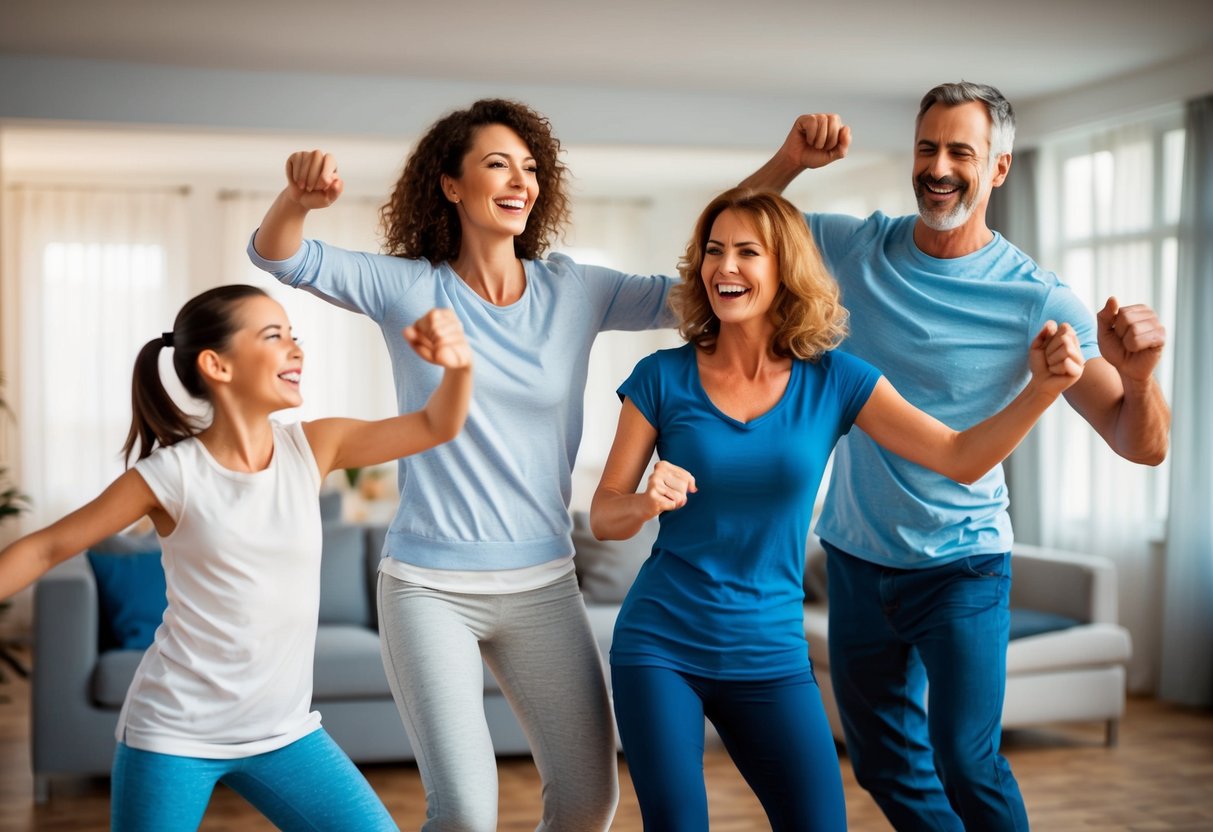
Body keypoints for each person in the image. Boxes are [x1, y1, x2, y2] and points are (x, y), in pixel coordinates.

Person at [740, 81, 1171, 830]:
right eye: (926, 147)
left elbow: (1139, 445)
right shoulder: (855, 246)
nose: (937, 167)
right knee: (879, 762)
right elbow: (731, 230)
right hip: (856, 554)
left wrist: (1138, 381)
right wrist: (788, 161)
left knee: (965, 759)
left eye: (959, 152)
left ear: (997, 169)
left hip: (962, 564)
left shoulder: (1035, 297)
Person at [590, 187, 1085, 832]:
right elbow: (603, 516)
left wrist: (1042, 391)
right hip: (662, 644)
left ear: (785, 269)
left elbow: (960, 457)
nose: (724, 267)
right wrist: (643, 501)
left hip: (769, 651)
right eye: (713, 252)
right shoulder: (662, 377)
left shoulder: (836, 380)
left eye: (747, 252)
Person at [248, 98, 675, 831]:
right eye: (496, 164)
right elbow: (280, 255)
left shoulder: (577, 289)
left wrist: (786, 171)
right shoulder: (412, 286)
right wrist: (297, 199)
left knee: (587, 799)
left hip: (543, 581)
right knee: (466, 812)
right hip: (428, 588)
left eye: (531, 167)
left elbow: (716, 288)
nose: (520, 180)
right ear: (450, 185)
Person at [0, 285, 472, 831]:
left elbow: (437, 425)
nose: (296, 348)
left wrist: (457, 368)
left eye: (295, 335)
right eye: (274, 336)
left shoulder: (315, 447)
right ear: (216, 365)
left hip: (286, 734)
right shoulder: (171, 475)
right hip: (176, 732)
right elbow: (46, 546)